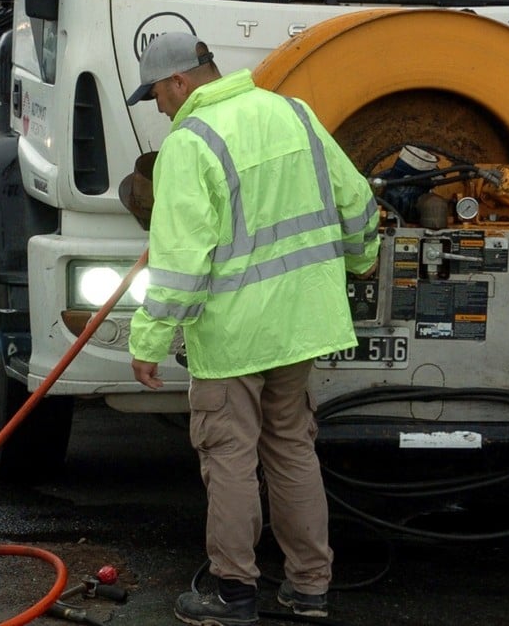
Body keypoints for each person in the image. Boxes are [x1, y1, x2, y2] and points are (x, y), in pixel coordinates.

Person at [125, 31, 379, 626]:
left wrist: (148, 342)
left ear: (181, 80)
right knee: (292, 449)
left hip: (236, 336)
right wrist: (359, 259)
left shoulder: (191, 142)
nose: (159, 106)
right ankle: (309, 589)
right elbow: (359, 202)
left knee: (230, 457)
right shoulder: (293, 112)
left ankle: (233, 594)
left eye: (157, 93)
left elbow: (181, 265)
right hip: (303, 327)